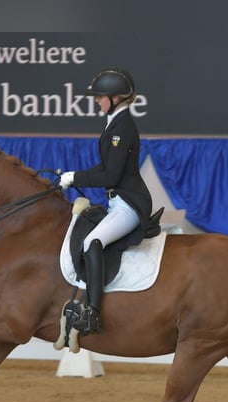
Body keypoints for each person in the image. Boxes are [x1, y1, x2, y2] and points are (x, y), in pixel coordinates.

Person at [59, 66, 153, 335]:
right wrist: (72, 177)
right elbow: (106, 168)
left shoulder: (122, 128)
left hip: (130, 203)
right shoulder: (114, 124)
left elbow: (111, 173)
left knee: (92, 242)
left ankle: (93, 313)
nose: (97, 101)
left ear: (117, 98)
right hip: (117, 201)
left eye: (101, 97)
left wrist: (74, 177)